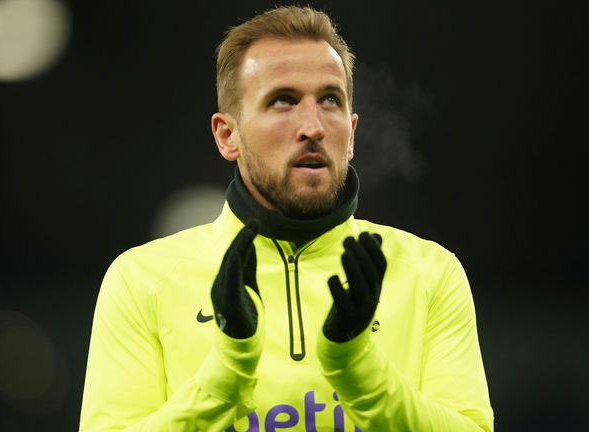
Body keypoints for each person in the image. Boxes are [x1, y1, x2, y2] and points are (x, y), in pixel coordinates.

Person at [79, 6, 493, 431]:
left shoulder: (432, 273)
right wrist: (228, 370)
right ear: (228, 135)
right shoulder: (141, 279)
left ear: (351, 133)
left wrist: (355, 365)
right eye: (283, 100)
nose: (312, 126)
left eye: (329, 100)